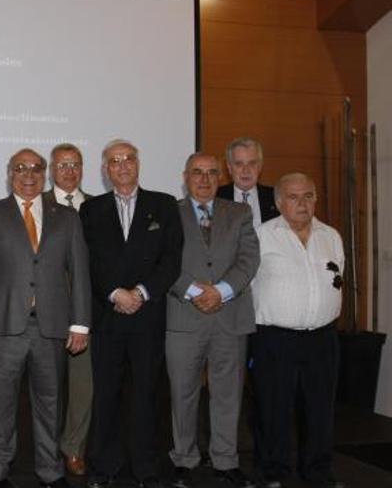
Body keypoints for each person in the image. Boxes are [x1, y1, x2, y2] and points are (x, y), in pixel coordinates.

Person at [0, 148, 91, 488]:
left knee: (50, 405)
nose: (29, 174)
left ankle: (50, 470)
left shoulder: (67, 217)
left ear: (45, 173)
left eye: (36, 168)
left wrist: (80, 324)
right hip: (2, 329)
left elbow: (79, 273)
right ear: (10, 174)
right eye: (21, 168)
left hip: (51, 328)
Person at [80, 139, 183, 488]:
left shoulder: (164, 205)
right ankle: (103, 466)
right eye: (114, 161)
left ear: (138, 164)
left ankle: (146, 467)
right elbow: (88, 261)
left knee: (146, 393)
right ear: (105, 169)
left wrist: (139, 292)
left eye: (128, 159)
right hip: (107, 316)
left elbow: (171, 259)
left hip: (148, 314)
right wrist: (114, 293)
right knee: (106, 393)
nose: (122, 166)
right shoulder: (91, 209)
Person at [165, 153, 258, 488]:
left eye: (211, 173)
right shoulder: (168, 213)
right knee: (182, 392)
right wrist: (192, 290)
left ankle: (225, 460)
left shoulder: (240, 213)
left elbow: (249, 259)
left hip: (229, 316)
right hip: (183, 317)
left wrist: (220, 291)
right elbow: (162, 261)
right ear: (185, 176)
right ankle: (184, 459)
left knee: (228, 393)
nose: (204, 179)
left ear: (221, 177)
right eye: (197, 173)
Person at [250, 173, 345, 488]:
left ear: (316, 198)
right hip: (276, 339)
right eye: (293, 196)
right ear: (278, 202)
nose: (302, 203)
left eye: (308, 195)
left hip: (323, 338)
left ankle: (317, 472)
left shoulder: (331, 236)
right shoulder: (261, 236)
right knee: (273, 410)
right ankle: (273, 474)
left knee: (320, 410)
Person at [44, 143, 93, 476]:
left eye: (75, 164)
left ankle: (73, 447)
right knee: (46, 388)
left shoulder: (97, 206)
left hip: (82, 312)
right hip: (43, 310)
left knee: (82, 386)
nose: (69, 171)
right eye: (62, 165)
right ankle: (44, 451)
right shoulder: (35, 204)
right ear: (51, 170)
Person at [217, 137, 279, 229]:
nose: (246, 170)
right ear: (229, 168)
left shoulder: (276, 197)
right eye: (239, 164)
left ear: (260, 166)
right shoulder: (215, 198)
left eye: (252, 163)